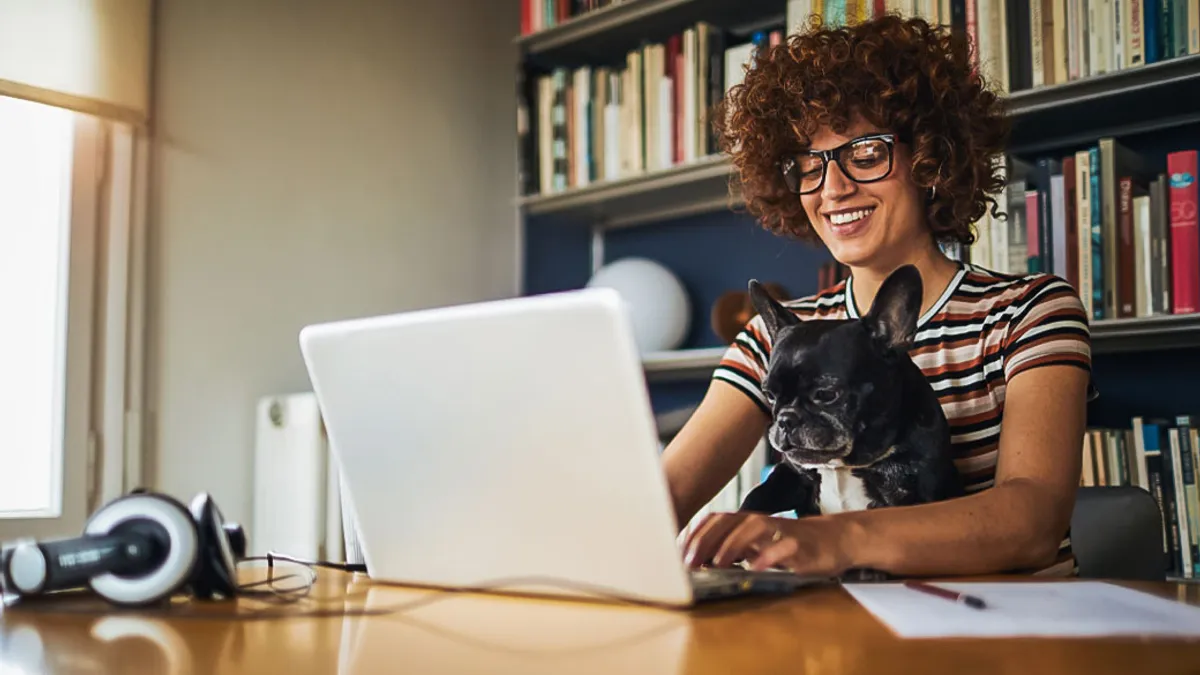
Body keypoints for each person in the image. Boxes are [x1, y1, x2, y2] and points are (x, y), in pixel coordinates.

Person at [663, 13, 1093, 579]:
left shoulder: (1026, 312)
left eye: (864, 155)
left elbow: (1033, 522)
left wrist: (834, 538)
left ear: (929, 161)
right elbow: (661, 496)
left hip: (1004, 640)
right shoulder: (780, 336)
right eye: (809, 167)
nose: (834, 189)